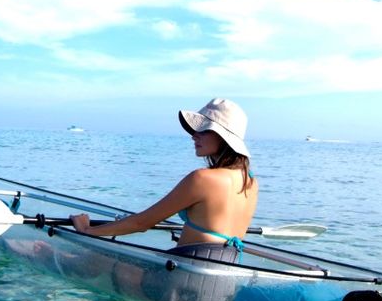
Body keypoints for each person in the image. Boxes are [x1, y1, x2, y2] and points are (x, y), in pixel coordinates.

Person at [70, 98, 258, 263]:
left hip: (180, 281)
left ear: (223, 137)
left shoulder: (202, 178)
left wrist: (87, 231)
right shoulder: (251, 183)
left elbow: (141, 223)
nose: (194, 135)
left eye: (204, 130)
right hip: (221, 284)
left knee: (95, 263)